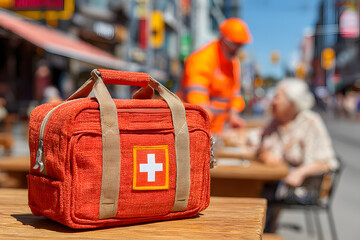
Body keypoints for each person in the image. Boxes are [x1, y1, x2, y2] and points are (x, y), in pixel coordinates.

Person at [258, 78, 339, 232]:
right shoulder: (277, 121)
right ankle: (265, 230)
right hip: (279, 181)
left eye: (277, 97)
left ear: (292, 103)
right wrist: (265, 152)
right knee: (257, 189)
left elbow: (327, 162)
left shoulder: (310, 121)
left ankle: (264, 231)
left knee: (257, 194)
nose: (272, 101)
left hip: (305, 187)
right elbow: (261, 142)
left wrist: (300, 172)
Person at [179, 18, 252, 134]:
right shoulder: (202, 59)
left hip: (217, 130)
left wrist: (233, 115)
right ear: (224, 40)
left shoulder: (233, 63)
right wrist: (206, 125)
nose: (238, 49)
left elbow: (235, 93)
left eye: (241, 45)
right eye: (235, 45)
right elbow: (197, 97)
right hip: (194, 129)